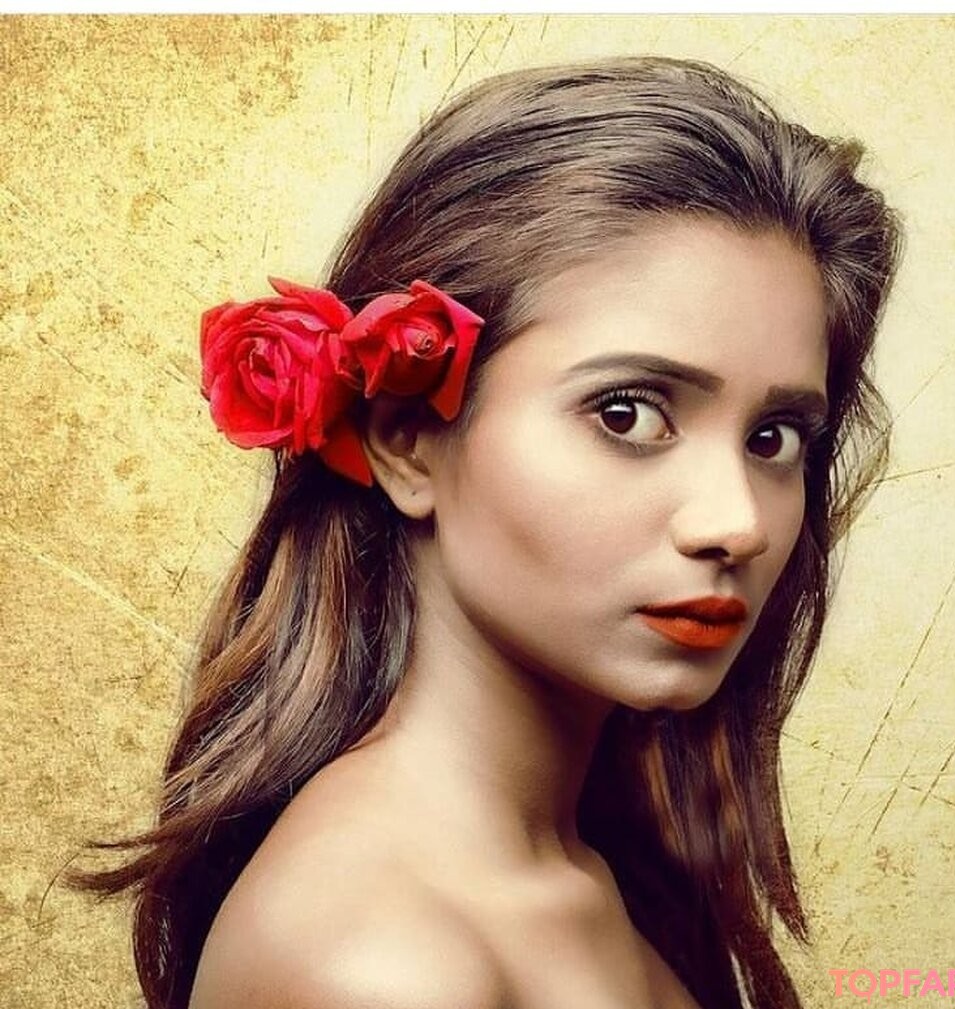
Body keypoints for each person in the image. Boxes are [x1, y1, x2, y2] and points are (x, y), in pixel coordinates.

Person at [68, 55, 901, 1009]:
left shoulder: (586, 867)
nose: (738, 522)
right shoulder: (377, 967)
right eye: (628, 414)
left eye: (774, 437)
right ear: (407, 440)